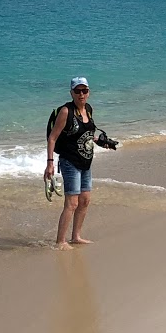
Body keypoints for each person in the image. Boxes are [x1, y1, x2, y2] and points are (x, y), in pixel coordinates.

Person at [46, 77, 104, 249]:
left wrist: (101, 141)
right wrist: (50, 163)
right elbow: (52, 138)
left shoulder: (88, 109)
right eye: (77, 91)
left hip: (86, 162)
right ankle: (60, 241)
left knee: (85, 200)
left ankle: (76, 236)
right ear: (71, 92)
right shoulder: (66, 111)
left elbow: (85, 134)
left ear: (89, 92)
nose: (81, 94)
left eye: (84, 91)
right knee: (72, 203)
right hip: (69, 162)